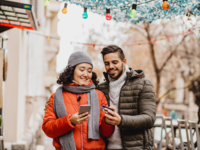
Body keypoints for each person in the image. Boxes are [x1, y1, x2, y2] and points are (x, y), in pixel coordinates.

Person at [42, 51, 114, 150]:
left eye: (89, 71)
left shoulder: (99, 95)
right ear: (71, 71)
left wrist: (108, 121)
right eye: (82, 69)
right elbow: (48, 129)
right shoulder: (56, 97)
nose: (86, 74)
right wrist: (69, 121)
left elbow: (106, 133)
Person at [98, 45, 156, 150]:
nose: (111, 66)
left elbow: (149, 119)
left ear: (124, 62)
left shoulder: (143, 84)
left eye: (114, 62)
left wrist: (121, 121)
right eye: (107, 63)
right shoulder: (101, 88)